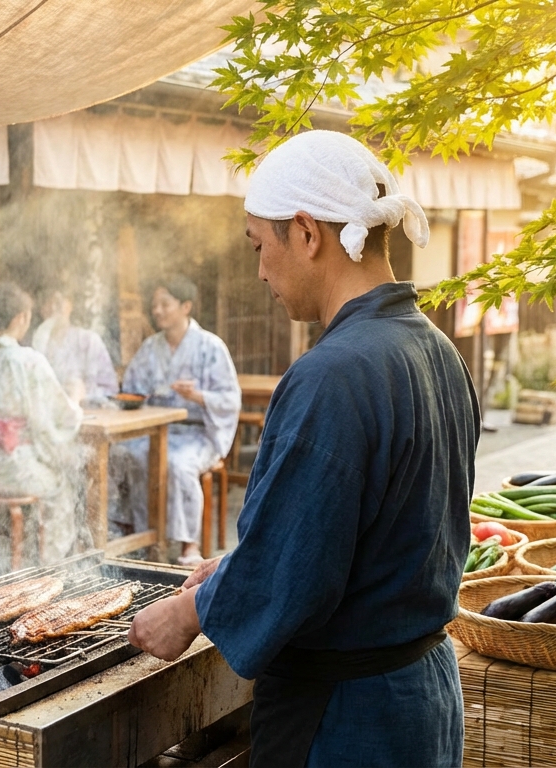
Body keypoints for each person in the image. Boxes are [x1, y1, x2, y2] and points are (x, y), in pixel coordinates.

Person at [128, 130, 478, 767]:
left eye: (260, 246)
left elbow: (296, 568)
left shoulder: (333, 374)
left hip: (351, 714)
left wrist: (189, 611)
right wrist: (233, 568)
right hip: (422, 691)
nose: (260, 269)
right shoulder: (438, 350)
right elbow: (348, 535)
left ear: (307, 232)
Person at [0, 283, 84, 568]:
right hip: (14, 472)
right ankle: (48, 569)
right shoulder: (28, 361)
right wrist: (75, 397)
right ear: (21, 318)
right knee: (62, 486)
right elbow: (56, 418)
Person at [113, 275, 241, 565]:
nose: (156, 310)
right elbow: (133, 389)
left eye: (164, 304)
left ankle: (189, 544)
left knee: (178, 463)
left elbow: (230, 399)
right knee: (128, 455)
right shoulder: (150, 348)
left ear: (186, 306)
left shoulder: (211, 346)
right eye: (154, 305)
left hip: (198, 433)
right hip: (157, 431)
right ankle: (144, 538)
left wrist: (198, 396)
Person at [30, 288, 119, 404]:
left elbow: (111, 391)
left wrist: (84, 394)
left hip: (89, 417)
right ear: (41, 309)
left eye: (58, 303)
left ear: (69, 305)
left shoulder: (89, 341)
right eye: (47, 303)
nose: (53, 308)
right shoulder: (36, 344)